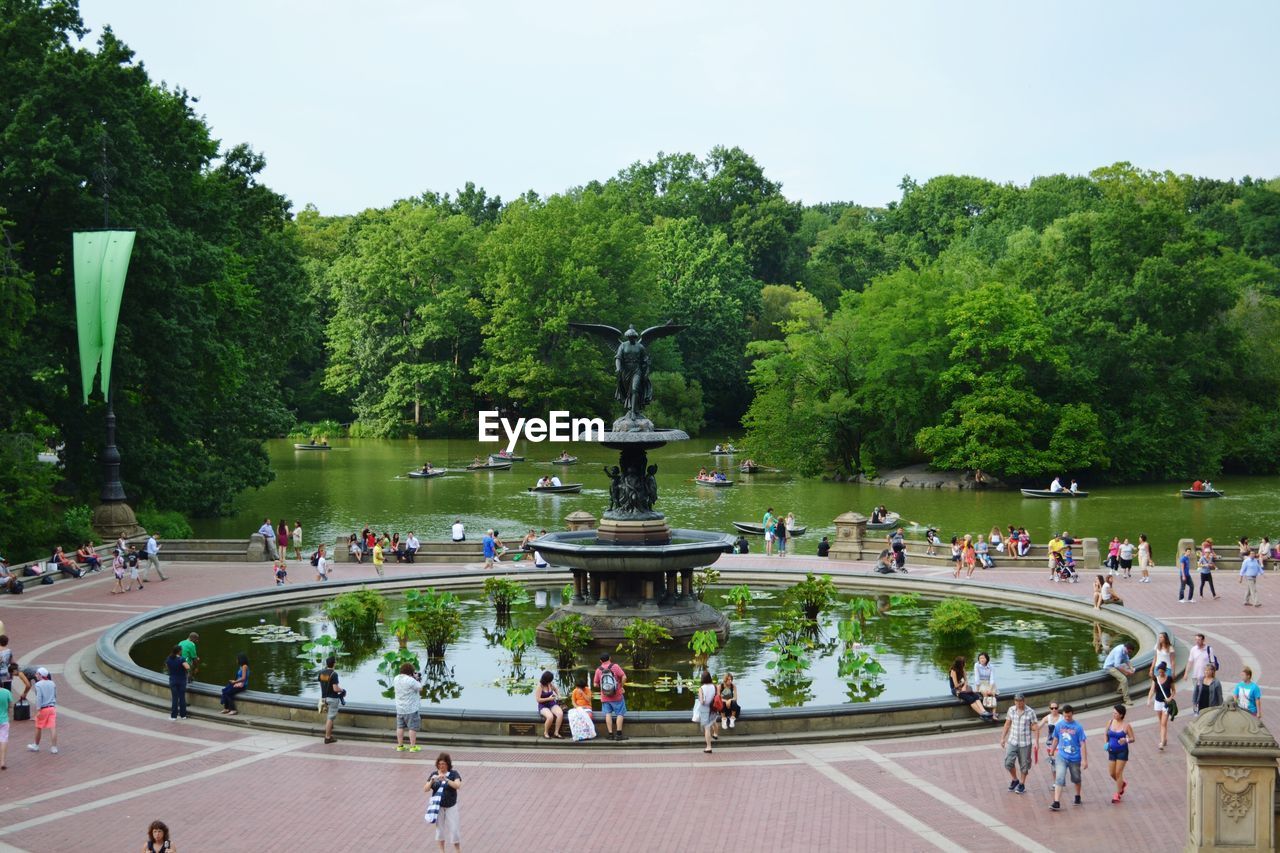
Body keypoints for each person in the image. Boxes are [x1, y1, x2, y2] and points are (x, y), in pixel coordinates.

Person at [1048, 704, 1087, 811]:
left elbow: (1082, 743)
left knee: (1076, 778)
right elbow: (1056, 738)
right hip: (1062, 756)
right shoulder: (1059, 725)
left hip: (1075, 757)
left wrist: (1084, 760)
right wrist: (1052, 750)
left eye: (1069, 716)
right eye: (1065, 716)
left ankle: (1077, 796)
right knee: (1059, 777)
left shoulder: (1078, 727)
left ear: (1072, 714)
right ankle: (1056, 802)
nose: (1067, 718)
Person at [1000, 692, 1039, 794]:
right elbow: (1007, 724)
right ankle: (1015, 779)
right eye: (1016, 701)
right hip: (1012, 741)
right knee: (1008, 762)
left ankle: (1021, 784)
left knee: (1024, 765)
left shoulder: (1030, 712)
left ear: (1023, 701)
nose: (1018, 703)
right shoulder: (1011, 710)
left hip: (1025, 743)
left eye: (1020, 701)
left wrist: (1037, 742)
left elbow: (1035, 727)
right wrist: (1002, 738)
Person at [425, 753, 462, 853]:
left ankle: (457, 850)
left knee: (454, 830)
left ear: (448, 764)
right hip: (439, 807)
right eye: (440, 764)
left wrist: (446, 779)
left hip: (451, 806)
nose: (441, 766)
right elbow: (426, 789)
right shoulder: (434, 774)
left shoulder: (454, 774)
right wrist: (432, 781)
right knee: (440, 831)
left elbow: (457, 785)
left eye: (444, 764)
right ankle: (442, 851)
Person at [1104, 705, 1136, 804]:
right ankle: (1122, 784)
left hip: (1122, 751)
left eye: (1116, 713)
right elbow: (1106, 733)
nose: (1114, 715)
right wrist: (1106, 743)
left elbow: (1132, 738)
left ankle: (1117, 794)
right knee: (1112, 773)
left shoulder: (1126, 726)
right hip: (1111, 751)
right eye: (1113, 713)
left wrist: (1125, 740)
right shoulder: (1110, 722)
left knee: (1118, 773)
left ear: (1121, 715)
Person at [949, 656, 995, 721]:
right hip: (955, 690)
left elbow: (966, 680)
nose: (965, 664)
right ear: (960, 664)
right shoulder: (953, 671)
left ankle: (984, 711)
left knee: (976, 696)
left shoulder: (963, 669)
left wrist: (964, 686)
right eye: (964, 663)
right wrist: (962, 683)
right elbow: (956, 685)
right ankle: (982, 714)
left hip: (963, 688)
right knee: (970, 699)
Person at [593, 652, 627, 741]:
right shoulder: (615, 666)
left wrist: (603, 687)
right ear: (610, 658)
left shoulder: (598, 670)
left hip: (605, 697)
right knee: (620, 713)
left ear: (600, 661)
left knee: (607, 714)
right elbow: (624, 677)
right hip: (617, 695)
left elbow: (595, 684)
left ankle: (610, 734)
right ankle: (619, 735)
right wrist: (621, 687)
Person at [393, 662, 424, 752]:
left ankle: (400, 746)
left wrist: (413, 677)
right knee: (412, 727)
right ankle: (413, 747)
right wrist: (417, 679)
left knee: (400, 727)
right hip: (411, 709)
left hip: (400, 708)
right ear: (410, 671)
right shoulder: (410, 680)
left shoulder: (396, 678)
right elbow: (420, 688)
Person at [26, 667, 57, 754]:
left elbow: (39, 697)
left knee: (38, 727)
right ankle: (54, 747)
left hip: (43, 708)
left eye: (37, 674)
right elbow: (55, 695)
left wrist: (38, 709)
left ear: (40, 675)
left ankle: (36, 745)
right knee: (53, 727)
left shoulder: (38, 685)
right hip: (52, 707)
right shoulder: (52, 683)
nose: (35, 675)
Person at [318, 655, 344, 744]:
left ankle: (329, 733)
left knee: (329, 716)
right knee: (330, 718)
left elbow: (322, 684)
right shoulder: (334, 674)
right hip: (332, 698)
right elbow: (335, 689)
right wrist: (342, 690)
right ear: (334, 664)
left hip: (324, 698)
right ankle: (328, 737)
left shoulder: (321, 673)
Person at [1185, 633, 1213, 713]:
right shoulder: (1193, 649)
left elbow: (1212, 663)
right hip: (1195, 676)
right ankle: (1196, 706)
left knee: (1202, 693)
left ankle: (1200, 707)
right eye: (1196, 640)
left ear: (1203, 640)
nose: (1197, 641)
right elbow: (1190, 662)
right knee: (1196, 692)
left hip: (1205, 676)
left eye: (1199, 640)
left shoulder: (1209, 649)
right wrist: (1186, 673)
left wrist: (1212, 675)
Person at [1150, 662, 1176, 750]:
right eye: (1159, 671)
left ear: (1165, 671)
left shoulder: (1169, 679)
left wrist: (1170, 698)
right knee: (1161, 722)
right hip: (1157, 703)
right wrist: (1149, 699)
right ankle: (1164, 739)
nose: (1160, 673)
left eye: (1162, 671)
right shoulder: (1155, 679)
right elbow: (1152, 690)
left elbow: (1174, 691)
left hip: (1166, 704)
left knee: (1163, 723)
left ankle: (1161, 742)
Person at [694, 670, 719, 753]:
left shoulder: (701, 688)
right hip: (714, 708)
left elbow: (701, 701)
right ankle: (715, 734)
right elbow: (718, 697)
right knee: (714, 721)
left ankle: (709, 747)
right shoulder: (715, 686)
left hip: (705, 709)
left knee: (707, 728)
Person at [535, 670, 564, 739]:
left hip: (552, 703)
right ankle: (546, 732)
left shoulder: (550, 684)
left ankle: (556, 732)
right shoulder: (540, 687)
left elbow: (556, 689)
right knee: (550, 717)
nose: (550, 681)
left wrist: (559, 695)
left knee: (560, 714)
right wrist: (548, 698)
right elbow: (538, 700)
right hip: (543, 705)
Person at [568, 673, 596, 741]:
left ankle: (588, 734)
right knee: (575, 717)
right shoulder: (575, 691)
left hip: (587, 707)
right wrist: (577, 707)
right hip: (578, 708)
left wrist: (582, 693)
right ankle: (579, 734)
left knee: (588, 716)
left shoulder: (587, 690)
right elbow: (573, 702)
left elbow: (588, 700)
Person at [165, 645, 189, 720]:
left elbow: (167, 666)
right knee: (182, 698)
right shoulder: (181, 659)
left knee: (175, 698)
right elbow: (187, 667)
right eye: (181, 650)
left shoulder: (168, 658)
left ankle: (173, 716)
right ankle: (183, 715)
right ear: (179, 651)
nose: (182, 651)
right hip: (181, 680)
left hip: (173, 680)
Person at [0, 666, 11, 770]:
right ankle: (2, 761)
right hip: (4, 719)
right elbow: (10, 705)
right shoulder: (6, 692)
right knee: (3, 739)